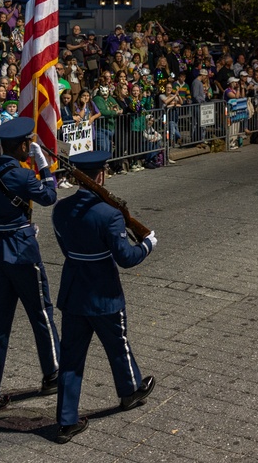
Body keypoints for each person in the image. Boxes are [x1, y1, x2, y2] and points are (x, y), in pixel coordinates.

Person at [51, 150, 157, 443]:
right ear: (100, 175)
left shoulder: (60, 210)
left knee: (71, 358)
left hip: (73, 292)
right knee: (118, 345)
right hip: (103, 293)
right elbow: (125, 258)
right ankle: (130, 390)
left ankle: (66, 420)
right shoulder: (109, 214)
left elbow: (66, 250)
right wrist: (147, 245)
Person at [0, 117, 60, 420]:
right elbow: (49, 196)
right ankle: (53, 374)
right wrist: (44, 165)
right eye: (28, 145)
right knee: (42, 315)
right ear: (23, 146)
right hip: (21, 251)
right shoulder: (23, 176)